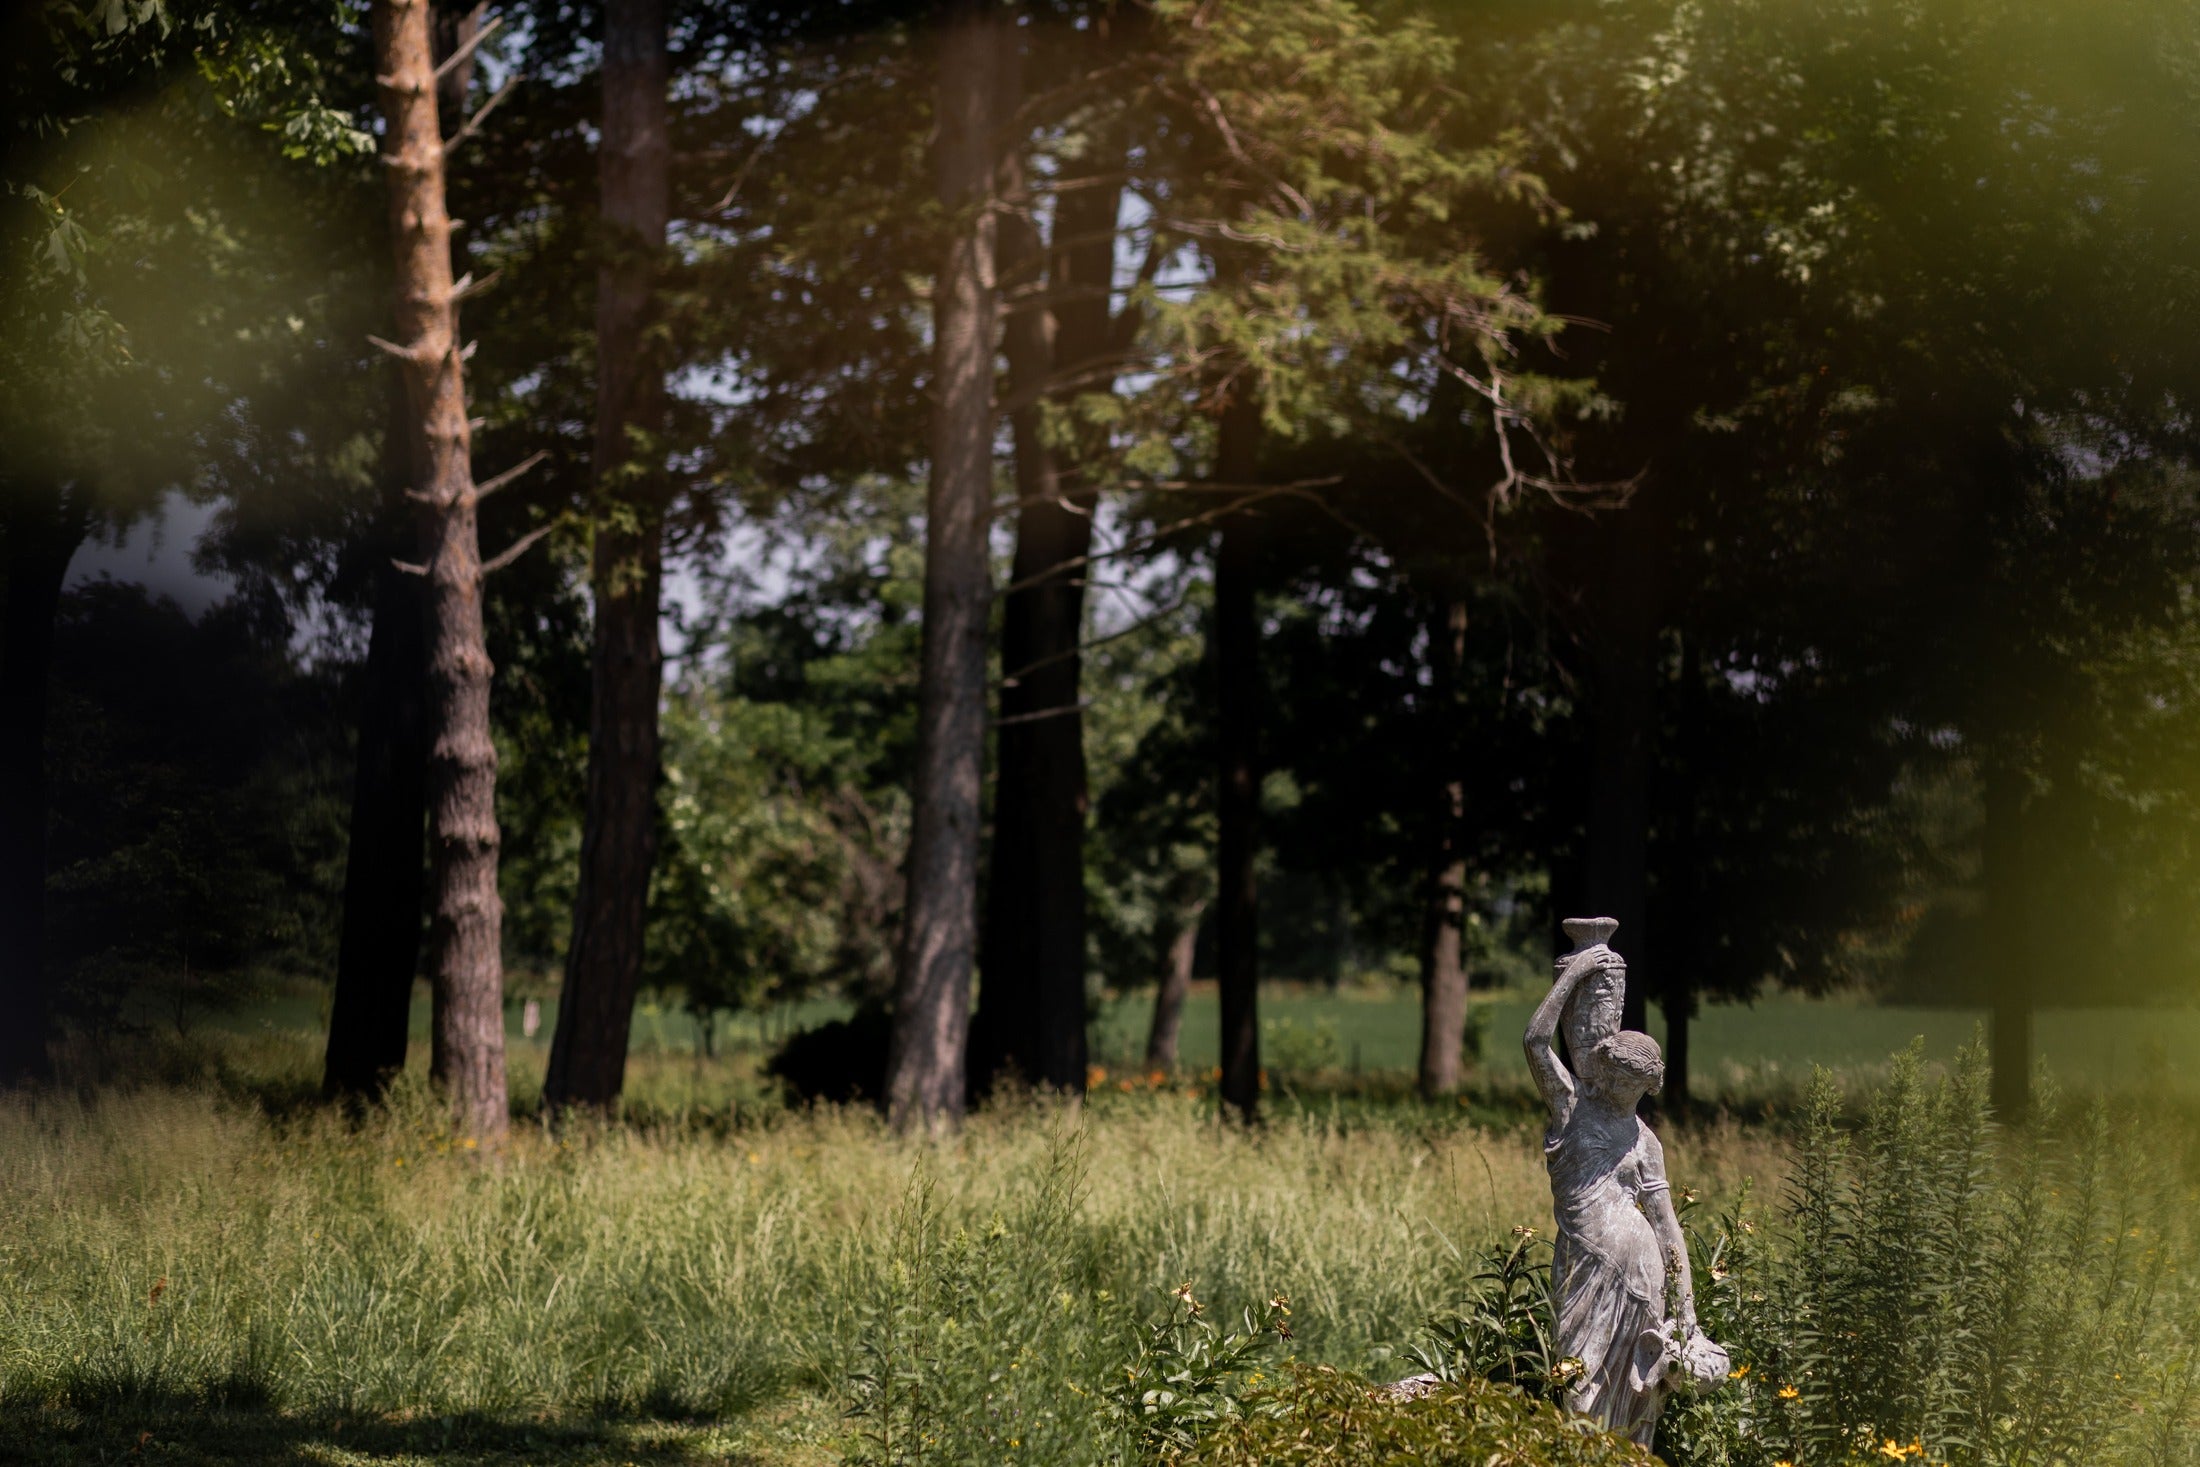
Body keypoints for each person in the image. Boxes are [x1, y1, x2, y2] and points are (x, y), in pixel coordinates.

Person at [1525, 939, 1723, 1444]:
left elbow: (1667, 1225)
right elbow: (1535, 1042)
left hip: (1643, 1277)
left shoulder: (1646, 1141)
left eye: (1636, 1088)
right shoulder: (1571, 1108)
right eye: (1618, 1080)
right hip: (1585, 1267)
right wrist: (1574, 976)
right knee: (1578, 1389)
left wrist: (1687, 1315)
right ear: (1606, 1068)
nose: (1622, 1094)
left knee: (1638, 1402)